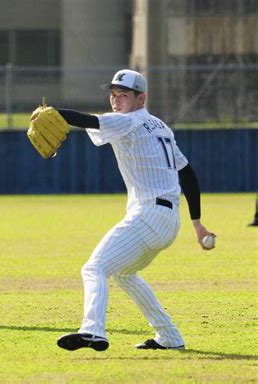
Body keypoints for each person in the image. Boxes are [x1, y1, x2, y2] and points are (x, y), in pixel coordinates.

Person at [53, 69, 215, 351]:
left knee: (94, 268)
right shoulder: (161, 126)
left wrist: (51, 111)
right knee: (125, 274)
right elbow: (187, 172)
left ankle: (92, 330)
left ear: (141, 99)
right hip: (167, 219)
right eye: (113, 95)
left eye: (123, 95)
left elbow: (87, 120)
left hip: (149, 215)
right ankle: (169, 337)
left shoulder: (129, 121)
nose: (116, 100)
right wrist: (197, 222)